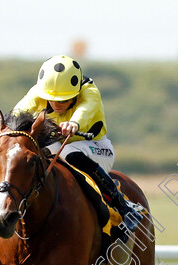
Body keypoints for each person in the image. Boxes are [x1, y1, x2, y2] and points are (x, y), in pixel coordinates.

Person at [13, 55, 141, 231]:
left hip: (97, 149)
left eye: (64, 100)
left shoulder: (89, 91)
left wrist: (73, 123)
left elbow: (85, 109)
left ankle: (123, 206)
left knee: (67, 152)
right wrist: (9, 126)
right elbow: (18, 112)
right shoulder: (41, 90)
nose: (57, 105)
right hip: (61, 146)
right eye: (53, 100)